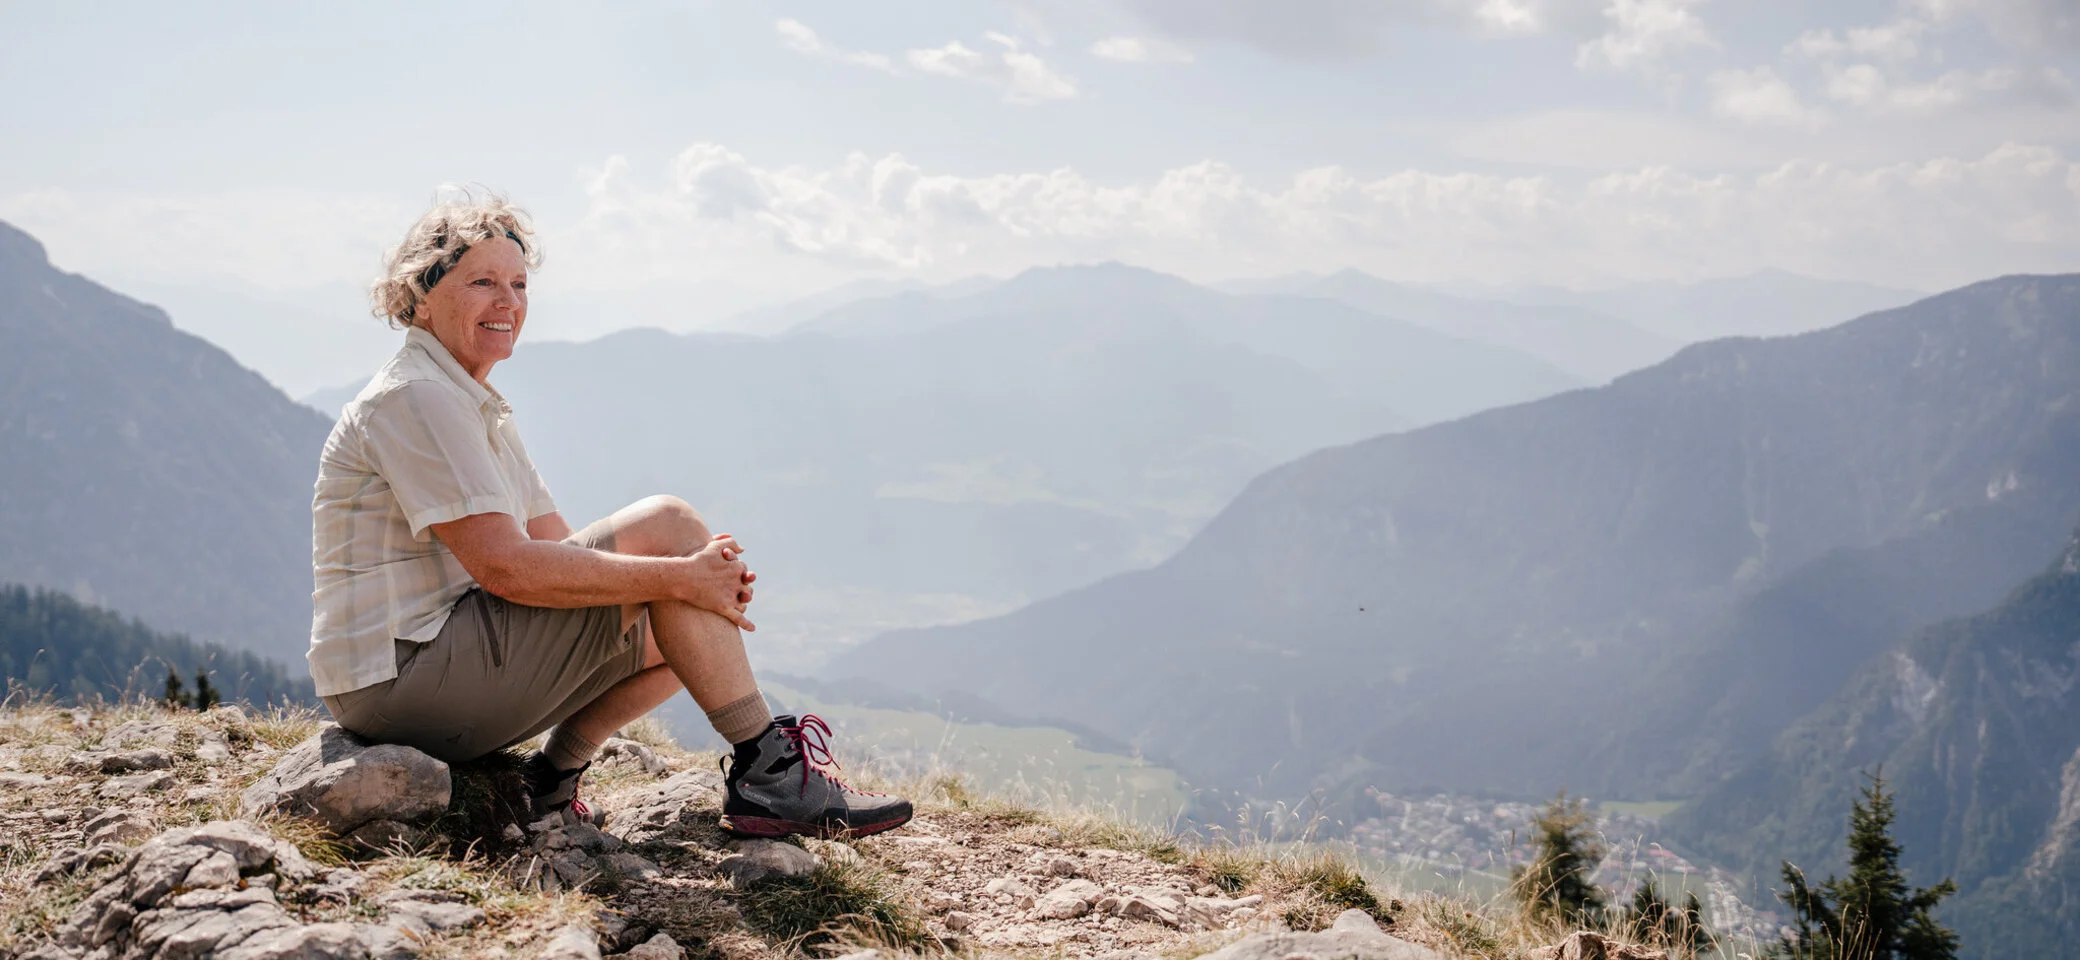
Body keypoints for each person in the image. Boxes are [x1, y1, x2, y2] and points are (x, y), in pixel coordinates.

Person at [307, 191, 910, 838]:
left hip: (423, 668)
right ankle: (766, 769)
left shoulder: (469, 401)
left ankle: (552, 782)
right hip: (400, 680)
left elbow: (560, 551)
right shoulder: (419, 398)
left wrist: (686, 590)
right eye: (482, 281)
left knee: (690, 624)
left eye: (518, 283)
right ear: (420, 295)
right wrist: (678, 577)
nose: (507, 301)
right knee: (672, 532)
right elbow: (507, 570)